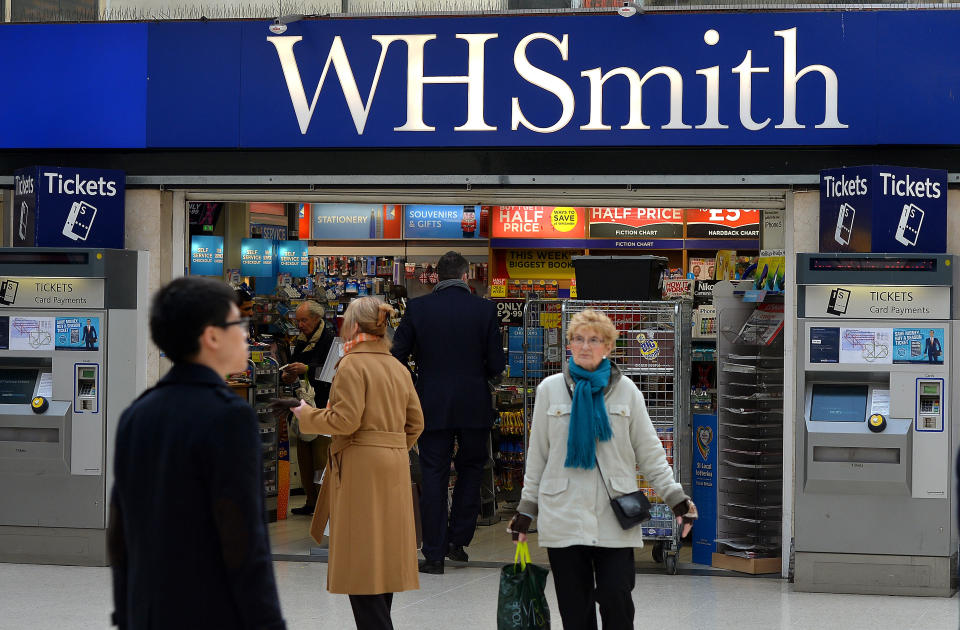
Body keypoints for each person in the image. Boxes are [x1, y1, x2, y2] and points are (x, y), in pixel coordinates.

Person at [107, 277, 285, 630]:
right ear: (212, 336)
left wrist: (125, 611)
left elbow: (120, 530)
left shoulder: (138, 412)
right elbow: (243, 539)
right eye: (238, 323)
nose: (247, 335)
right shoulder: (229, 416)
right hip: (211, 610)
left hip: (149, 610)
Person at [507, 308, 697, 630]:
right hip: (563, 514)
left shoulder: (627, 391)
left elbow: (650, 454)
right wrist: (526, 510)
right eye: (578, 339)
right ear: (568, 344)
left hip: (614, 516)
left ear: (608, 347)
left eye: (594, 340)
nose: (584, 346)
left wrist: (677, 499)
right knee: (575, 609)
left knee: (616, 598)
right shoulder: (548, 390)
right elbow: (537, 456)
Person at [292, 297, 423, 630]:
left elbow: (345, 420)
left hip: (360, 466)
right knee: (385, 559)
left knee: (360, 562)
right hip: (394, 463)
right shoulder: (398, 367)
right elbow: (416, 423)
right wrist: (392, 448)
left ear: (352, 325)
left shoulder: (351, 364)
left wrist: (306, 415)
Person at [391, 251, 506, 574]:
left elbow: (396, 354)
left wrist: (417, 381)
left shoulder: (418, 308)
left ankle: (434, 553)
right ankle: (458, 540)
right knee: (471, 468)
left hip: (431, 402)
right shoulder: (484, 309)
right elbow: (496, 364)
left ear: (436, 276)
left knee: (434, 474)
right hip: (473, 404)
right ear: (466, 275)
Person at [283, 300, 336, 516]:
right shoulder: (302, 340)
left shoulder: (330, 339)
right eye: (298, 320)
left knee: (320, 457)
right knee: (304, 456)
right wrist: (289, 375)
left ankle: (324, 503)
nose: (300, 324)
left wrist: (306, 368)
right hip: (303, 405)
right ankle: (311, 501)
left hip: (323, 405)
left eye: (304, 320)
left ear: (316, 318)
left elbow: (333, 371)